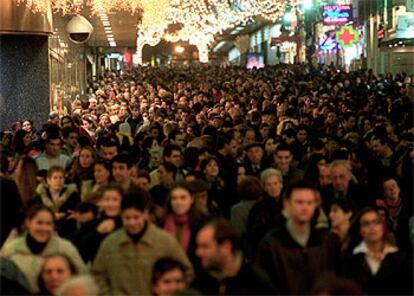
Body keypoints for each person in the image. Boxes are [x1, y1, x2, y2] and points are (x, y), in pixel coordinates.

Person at [92, 189, 194, 295]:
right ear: (121, 215)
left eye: (136, 217)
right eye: (127, 218)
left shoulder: (165, 241)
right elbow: (98, 275)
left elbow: (187, 271)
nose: (132, 223)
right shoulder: (110, 243)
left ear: (145, 214)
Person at [255, 181, 339, 295]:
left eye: (309, 203)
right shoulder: (271, 244)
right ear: (287, 204)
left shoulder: (326, 242)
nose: (305, 207)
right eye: (299, 202)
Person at [1, 205, 86, 293]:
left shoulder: (66, 248)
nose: (44, 228)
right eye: (39, 223)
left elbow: (83, 277)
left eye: (48, 223)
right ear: (28, 223)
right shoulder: (11, 249)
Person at [192, 218, 275, 295]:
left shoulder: (256, 283)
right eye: (198, 246)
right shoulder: (201, 280)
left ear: (226, 247)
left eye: (205, 246)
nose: (198, 252)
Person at [342, 207, 412, 294]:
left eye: (376, 222)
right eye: (366, 224)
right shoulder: (350, 259)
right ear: (361, 230)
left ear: (382, 227)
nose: (372, 227)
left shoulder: (401, 258)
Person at [33, 166, 80, 237]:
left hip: (66, 228)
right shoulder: (40, 195)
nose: (58, 181)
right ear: (48, 180)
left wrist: (64, 214)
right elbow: (35, 211)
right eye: (55, 178)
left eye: (61, 178)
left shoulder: (73, 195)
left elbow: (75, 211)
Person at [247, 168, 284, 255]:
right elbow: (253, 234)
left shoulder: (290, 203)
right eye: (269, 184)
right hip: (266, 250)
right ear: (264, 187)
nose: (273, 187)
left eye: (275, 183)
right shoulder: (258, 207)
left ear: (281, 184)